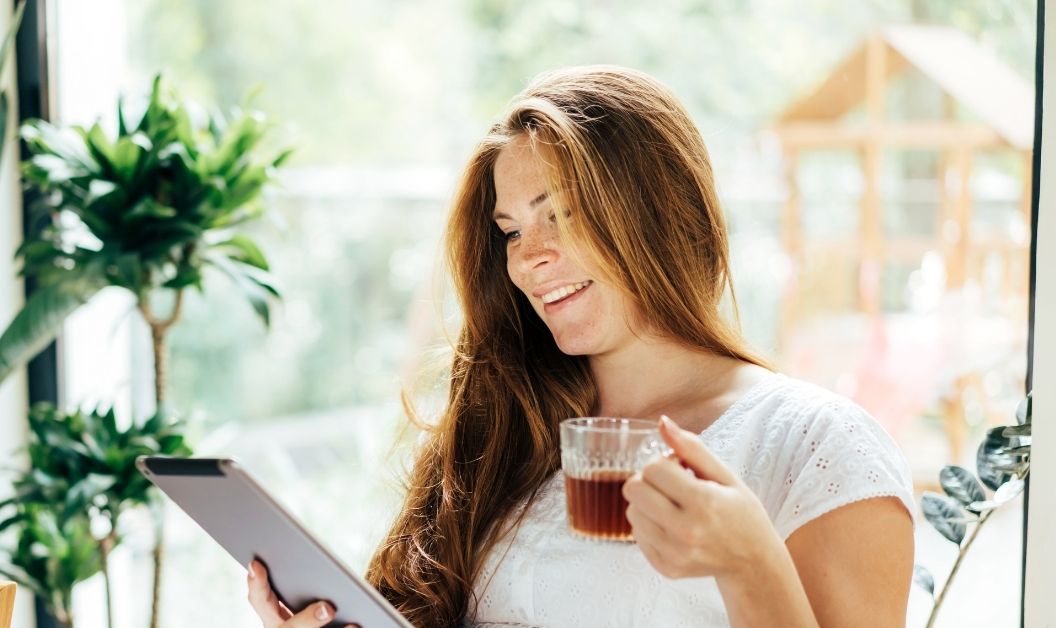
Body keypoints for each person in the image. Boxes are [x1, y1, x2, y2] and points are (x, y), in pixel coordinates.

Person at [246, 65, 916, 628]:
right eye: (510, 231)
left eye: (558, 214)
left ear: (657, 211)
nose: (528, 259)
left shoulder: (818, 447)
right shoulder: (511, 420)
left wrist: (749, 564)